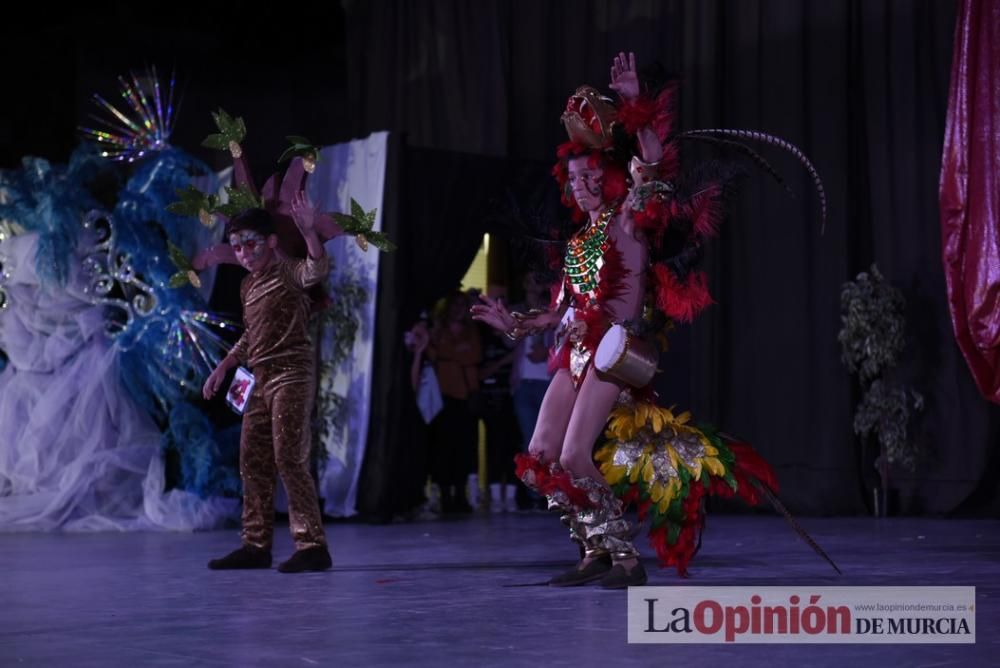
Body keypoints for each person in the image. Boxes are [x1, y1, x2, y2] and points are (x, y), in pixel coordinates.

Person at [472, 52, 782, 588]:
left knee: (573, 453)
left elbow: (655, 165)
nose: (584, 184)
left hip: (617, 349)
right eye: (574, 178)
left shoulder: (629, 222)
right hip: (573, 350)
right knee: (542, 455)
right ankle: (593, 549)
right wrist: (517, 322)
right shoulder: (575, 245)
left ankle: (627, 560)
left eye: (591, 173)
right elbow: (560, 310)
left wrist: (636, 105)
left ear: (608, 175)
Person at [202, 193, 335, 573]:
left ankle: (312, 545)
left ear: (271, 242)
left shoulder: (289, 272)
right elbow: (250, 334)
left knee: (289, 457)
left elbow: (316, 270)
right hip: (259, 379)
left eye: (250, 244)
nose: (243, 253)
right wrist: (224, 365)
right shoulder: (247, 287)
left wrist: (309, 232)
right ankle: (256, 544)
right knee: (252, 459)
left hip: (291, 374)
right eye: (237, 247)